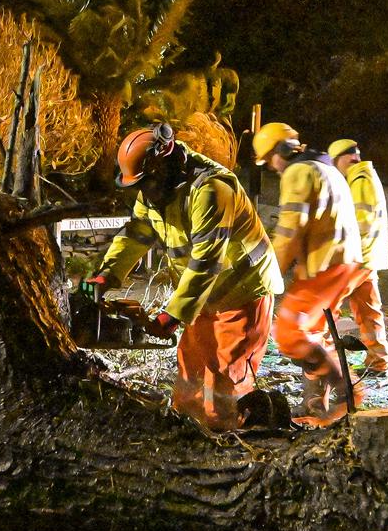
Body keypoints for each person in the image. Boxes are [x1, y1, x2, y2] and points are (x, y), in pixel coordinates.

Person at [87, 124, 280, 431]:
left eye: (146, 182)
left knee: (224, 381)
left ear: (164, 166)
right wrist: (107, 274)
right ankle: (188, 436)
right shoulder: (153, 194)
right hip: (204, 299)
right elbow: (138, 232)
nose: (143, 192)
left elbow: (206, 261)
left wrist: (172, 315)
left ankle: (237, 446)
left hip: (243, 294)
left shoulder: (211, 191)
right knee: (190, 377)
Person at [251, 122, 364, 427]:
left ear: (281, 151)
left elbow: (290, 229)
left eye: (269, 160)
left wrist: (268, 271)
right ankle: (317, 407)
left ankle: (348, 393)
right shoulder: (325, 168)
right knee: (313, 331)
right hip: (343, 261)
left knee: (288, 333)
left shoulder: (297, 173)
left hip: (325, 265)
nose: (272, 168)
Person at [327, 138, 388, 382]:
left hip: (356, 257)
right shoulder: (366, 176)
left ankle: (324, 357)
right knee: (368, 310)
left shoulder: (359, 179)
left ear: (343, 159)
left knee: (327, 306)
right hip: (367, 256)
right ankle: (378, 360)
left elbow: (357, 224)